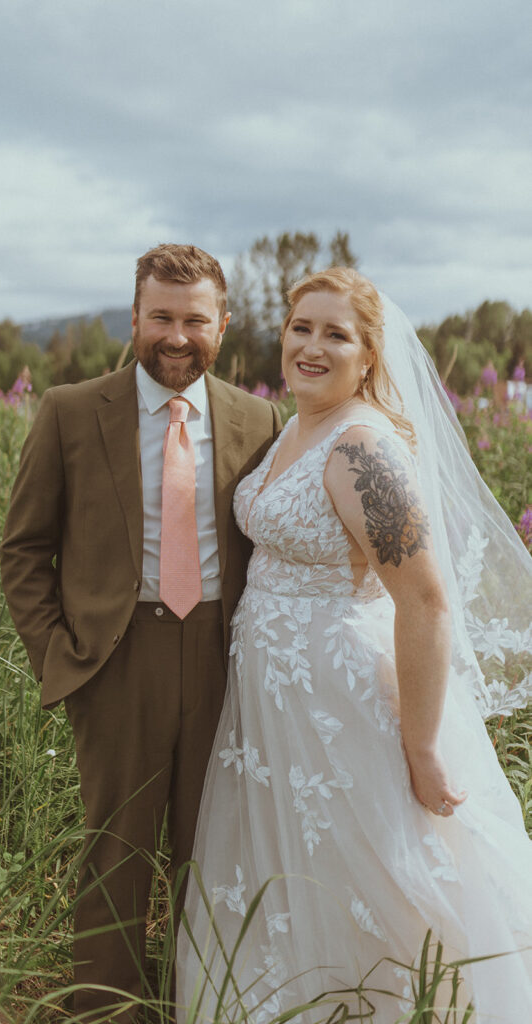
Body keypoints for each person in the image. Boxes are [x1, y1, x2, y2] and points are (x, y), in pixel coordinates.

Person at [178, 268, 532, 1022]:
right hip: (272, 707)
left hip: (340, 699)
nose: (311, 345)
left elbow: (426, 601)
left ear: (369, 356)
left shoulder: (361, 449)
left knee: (372, 877)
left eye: (335, 334)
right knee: (289, 877)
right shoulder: (295, 427)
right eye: (300, 327)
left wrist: (422, 745)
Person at [0, 243, 281, 1021]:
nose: (176, 335)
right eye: (160, 316)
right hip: (116, 659)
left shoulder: (258, 418)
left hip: (225, 657)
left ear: (222, 325)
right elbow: (23, 550)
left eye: (195, 319)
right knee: (115, 853)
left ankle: (202, 1003)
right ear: (134, 318)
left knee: (214, 847)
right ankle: (102, 1009)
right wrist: (60, 656)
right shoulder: (69, 410)